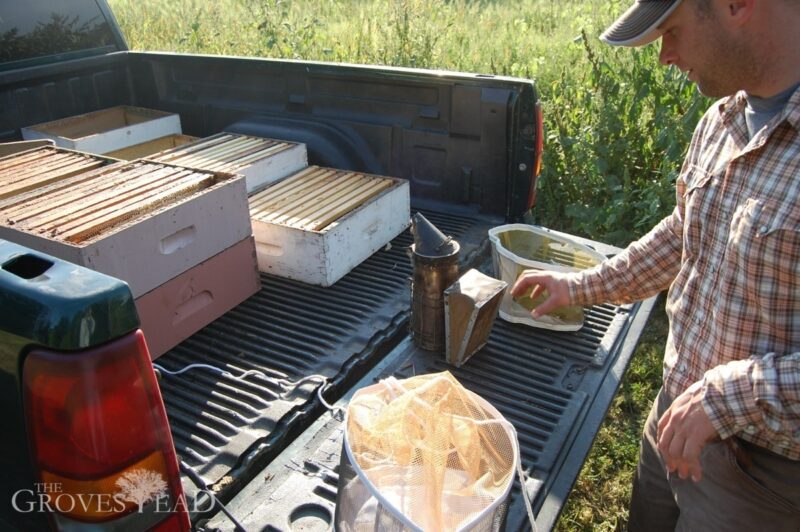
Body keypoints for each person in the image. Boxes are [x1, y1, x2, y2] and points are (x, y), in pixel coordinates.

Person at [511, 0, 799, 529]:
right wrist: (578, 287)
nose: (665, 56)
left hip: (761, 473)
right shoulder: (723, 118)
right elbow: (684, 233)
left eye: (671, 31)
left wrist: (727, 396)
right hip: (675, 414)